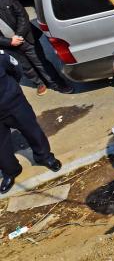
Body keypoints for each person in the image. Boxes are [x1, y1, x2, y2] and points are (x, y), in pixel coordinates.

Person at [0, 50, 62, 194]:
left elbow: (16, 70)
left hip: (14, 104)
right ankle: (11, 171)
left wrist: (11, 92)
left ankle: (44, 157)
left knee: (32, 131)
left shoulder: (1, 57)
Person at [0, 0, 71, 95]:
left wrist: (18, 35)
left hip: (25, 37)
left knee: (40, 62)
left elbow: (22, 15)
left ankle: (57, 83)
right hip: (8, 46)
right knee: (25, 67)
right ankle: (39, 83)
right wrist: (9, 42)